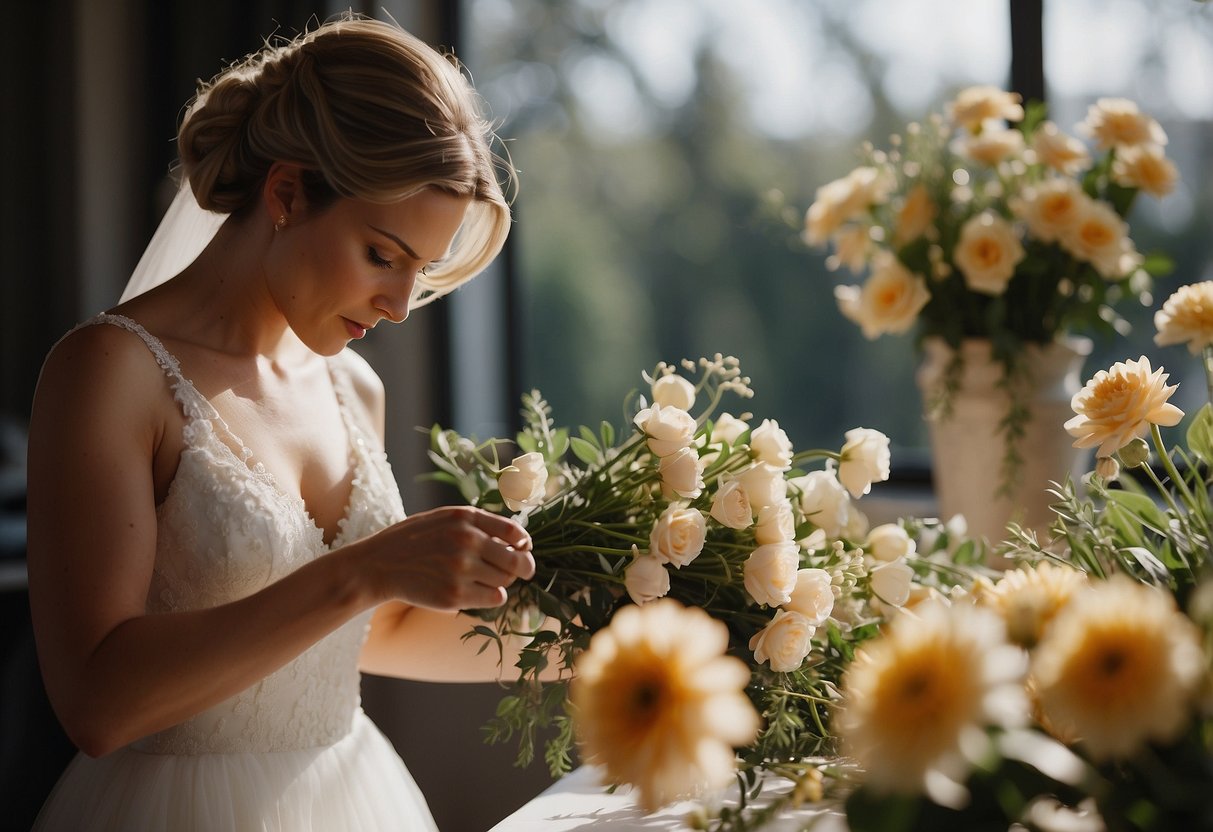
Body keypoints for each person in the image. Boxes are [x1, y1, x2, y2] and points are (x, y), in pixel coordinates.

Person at [26, 14, 536, 831]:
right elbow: (97, 704)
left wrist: (591, 633)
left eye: (421, 270)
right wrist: (363, 570)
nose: (401, 306)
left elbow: (371, 635)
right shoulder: (110, 373)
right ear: (288, 193)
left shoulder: (352, 387)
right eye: (382, 255)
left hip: (354, 794)